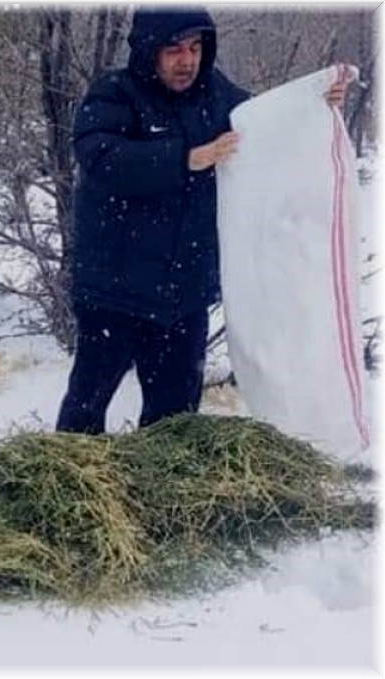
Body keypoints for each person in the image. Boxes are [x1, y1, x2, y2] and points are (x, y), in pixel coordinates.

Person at [56, 6, 350, 434]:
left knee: (174, 420)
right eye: (174, 49)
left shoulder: (214, 94)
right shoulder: (115, 94)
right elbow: (100, 157)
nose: (187, 60)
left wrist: (314, 102)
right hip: (113, 292)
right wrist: (184, 158)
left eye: (195, 47)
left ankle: (161, 496)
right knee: (86, 405)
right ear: (148, 50)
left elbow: (266, 120)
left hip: (183, 295)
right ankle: (63, 490)